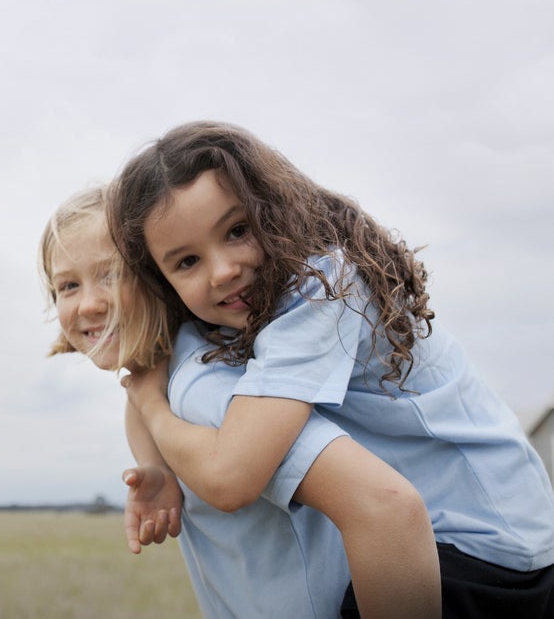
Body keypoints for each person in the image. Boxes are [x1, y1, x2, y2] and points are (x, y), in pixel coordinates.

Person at [108, 120, 554, 618]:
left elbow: (232, 476)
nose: (223, 269)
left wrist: (151, 403)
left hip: (484, 545)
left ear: (274, 209)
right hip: (498, 530)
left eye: (237, 231)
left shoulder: (322, 287)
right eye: (187, 262)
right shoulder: (256, 311)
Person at [39, 186, 441, 618]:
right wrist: (153, 461)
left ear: (157, 276)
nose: (88, 304)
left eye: (111, 275)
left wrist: (150, 406)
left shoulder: (203, 383)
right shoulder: (166, 377)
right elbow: (138, 398)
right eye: (67, 286)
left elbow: (385, 506)